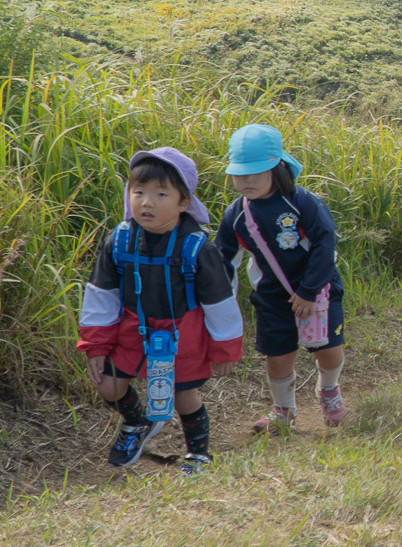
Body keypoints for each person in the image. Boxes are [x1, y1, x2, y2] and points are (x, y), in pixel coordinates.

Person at [78, 148, 244, 474]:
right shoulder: (118, 241)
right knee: (108, 386)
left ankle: (198, 453)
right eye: (138, 192)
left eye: (161, 194)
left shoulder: (197, 247)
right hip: (131, 330)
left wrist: (225, 349)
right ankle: (137, 422)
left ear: (184, 203)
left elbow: (220, 303)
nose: (147, 202)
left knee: (184, 395)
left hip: (183, 334)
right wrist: (96, 345)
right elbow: (101, 296)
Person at [215, 123, 346, 434]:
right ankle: (283, 410)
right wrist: (222, 308)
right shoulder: (235, 215)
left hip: (318, 291)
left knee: (328, 350)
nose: (246, 180)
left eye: (255, 173)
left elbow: (325, 243)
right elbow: (224, 262)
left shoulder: (301, 202)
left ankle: (329, 389)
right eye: (240, 174)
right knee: (278, 357)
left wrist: (309, 290)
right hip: (272, 297)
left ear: (277, 167)